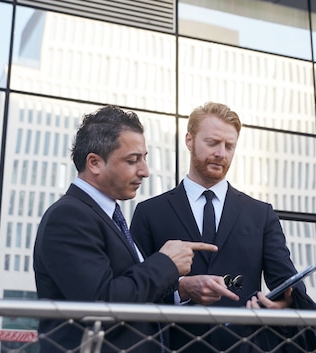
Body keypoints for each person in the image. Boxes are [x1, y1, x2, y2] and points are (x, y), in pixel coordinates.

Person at [131, 102, 316, 353]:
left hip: (245, 346)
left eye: (229, 146)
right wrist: (182, 288)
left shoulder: (260, 213)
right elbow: (135, 287)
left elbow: (287, 281)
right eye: (212, 143)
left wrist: (284, 303)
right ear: (189, 140)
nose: (222, 153)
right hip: (173, 346)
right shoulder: (150, 212)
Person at [33, 105, 217, 353]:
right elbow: (103, 303)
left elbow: (128, 290)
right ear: (95, 163)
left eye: (144, 158)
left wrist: (182, 288)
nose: (145, 171)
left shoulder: (107, 216)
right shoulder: (68, 217)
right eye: (133, 160)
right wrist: (166, 263)